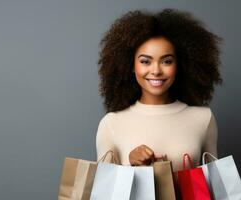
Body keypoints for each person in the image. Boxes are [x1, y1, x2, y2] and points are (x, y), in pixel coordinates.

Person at [95, 8, 223, 173]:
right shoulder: (111, 124)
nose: (156, 70)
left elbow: (214, 187)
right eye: (145, 61)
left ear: (180, 65)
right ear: (131, 66)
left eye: (167, 61)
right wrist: (130, 166)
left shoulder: (203, 119)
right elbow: (103, 192)